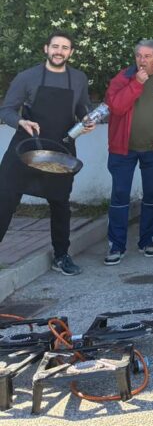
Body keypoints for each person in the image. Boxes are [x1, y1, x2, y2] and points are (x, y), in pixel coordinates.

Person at [0, 31, 94, 276]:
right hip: (26, 148)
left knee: (60, 203)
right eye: (55, 46)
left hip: (60, 150)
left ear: (71, 52)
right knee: (4, 198)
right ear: (46, 49)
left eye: (64, 48)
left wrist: (87, 120)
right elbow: (7, 110)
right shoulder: (26, 77)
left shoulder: (78, 78)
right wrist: (20, 122)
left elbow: (82, 107)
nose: (59, 51)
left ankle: (61, 256)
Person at [103, 39, 153, 265]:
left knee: (152, 196)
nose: (142, 61)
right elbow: (116, 107)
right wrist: (136, 83)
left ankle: (147, 241)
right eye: (139, 56)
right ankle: (116, 245)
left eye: (147, 56)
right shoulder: (123, 78)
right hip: (123, 149)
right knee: (120, 195)